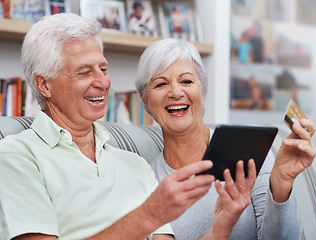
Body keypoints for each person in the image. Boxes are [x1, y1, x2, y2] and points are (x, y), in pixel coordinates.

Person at [0, 13, 253, 240]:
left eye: (103, 68)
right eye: (84, 72)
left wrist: (221, 226)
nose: (102, 82)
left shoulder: (135, 165)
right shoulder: (18, 157)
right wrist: (148, 215)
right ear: (44, 85)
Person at [135, 38, 316, 240]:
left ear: (202, 90)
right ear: (145, 100)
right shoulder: (145, 181)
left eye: (186, 81)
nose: (176, 92)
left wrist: (282, 184)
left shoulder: (246, 150)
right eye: (161, 84)